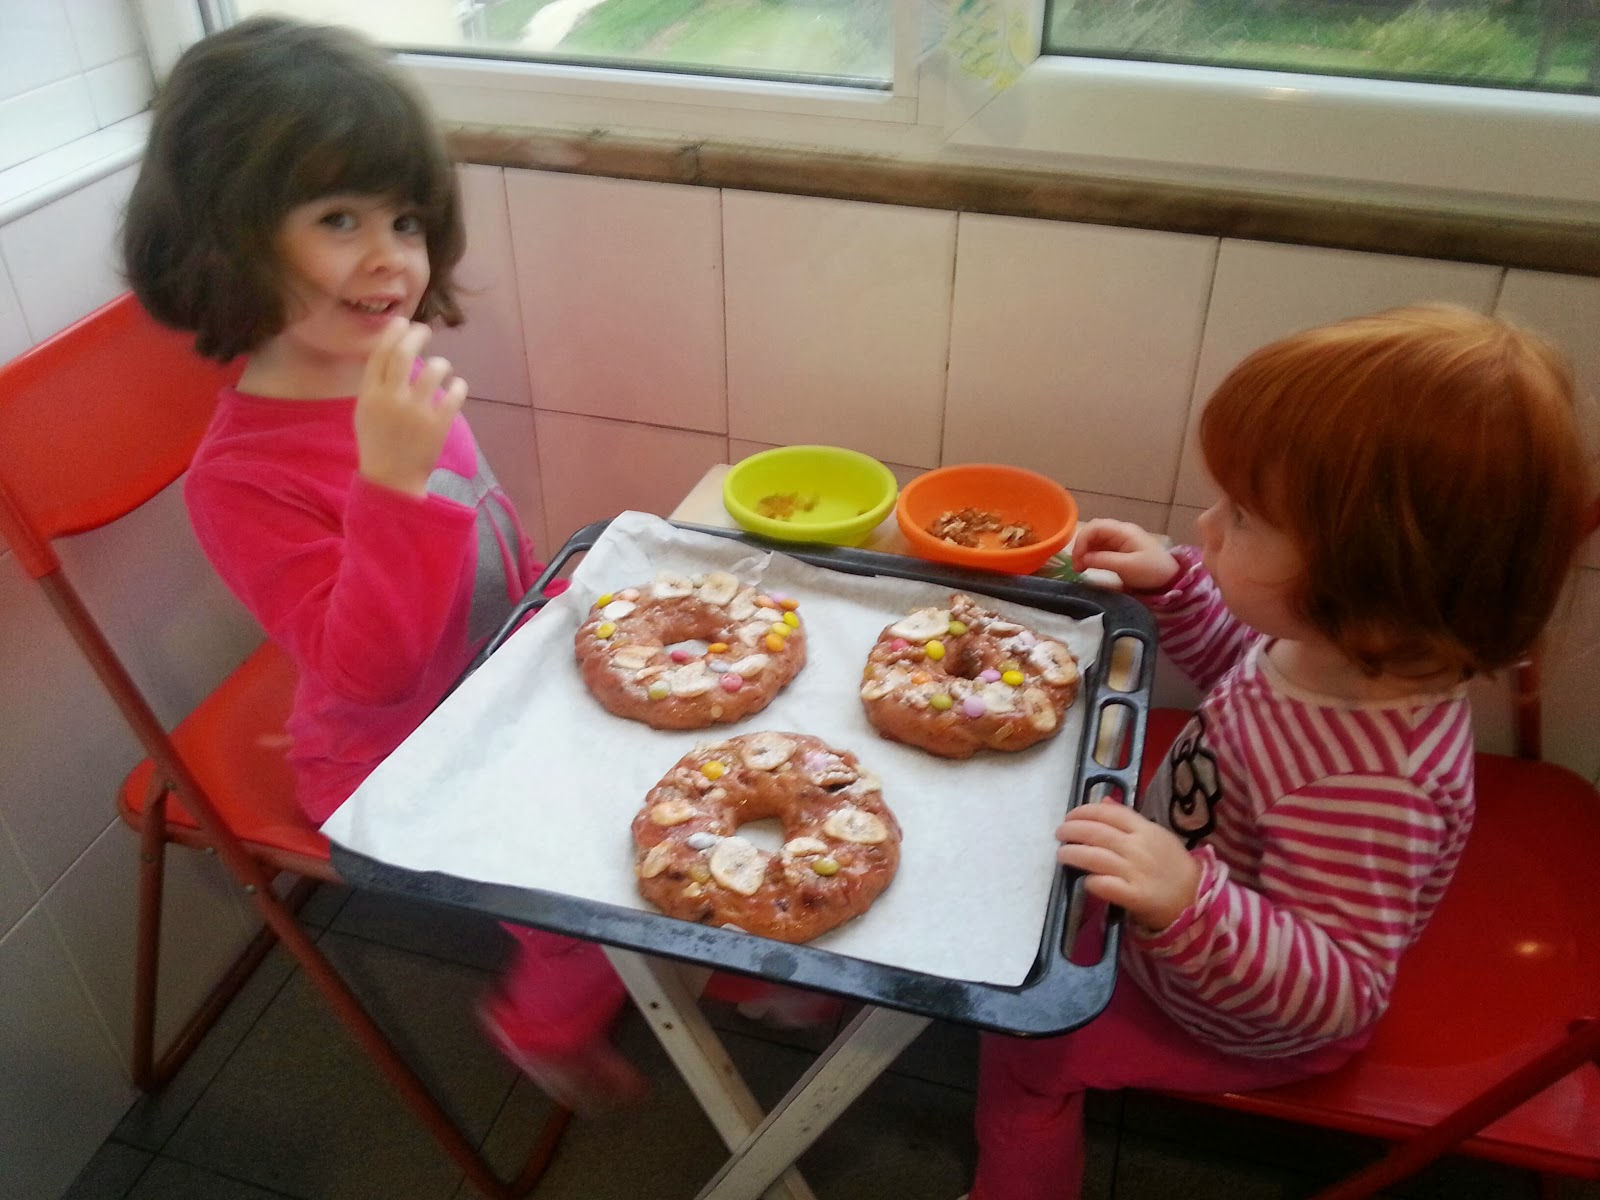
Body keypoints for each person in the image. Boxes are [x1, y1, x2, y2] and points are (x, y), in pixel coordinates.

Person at [119, 15, 650, 1113]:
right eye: (339, 218)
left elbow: (483, 533)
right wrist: (390, 487)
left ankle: (725, 964)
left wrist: (555, 608)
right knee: (603, 881)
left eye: (405, 218)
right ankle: (544, 1021)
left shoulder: (383, 375)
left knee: (678, 764)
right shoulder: (241, 477)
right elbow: (372, 668)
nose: (391, 257)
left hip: (489, 691)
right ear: (226, 237)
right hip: (390, 760)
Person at [965, 304, 1594, 1200]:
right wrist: (1180, 589)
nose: (1207, 525)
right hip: (1179, 897)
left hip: (1234, 1012)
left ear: (1367, 574)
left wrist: (1187, 900)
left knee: (1026, 1048)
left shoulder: (1373, 782)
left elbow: (1339, 991)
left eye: (1246, 516)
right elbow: (1243, 672)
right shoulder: (1336, 651)